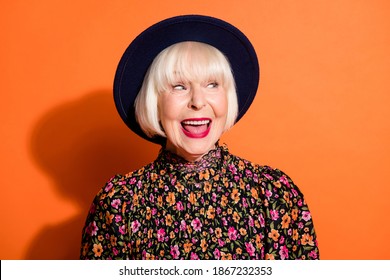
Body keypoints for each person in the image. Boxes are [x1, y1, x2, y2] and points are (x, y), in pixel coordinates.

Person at [80, 15, 319, 260]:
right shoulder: (119, 203)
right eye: (179, 86)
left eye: (212, 84)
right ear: (155, 102)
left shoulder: (273, 193)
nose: (197, 102)